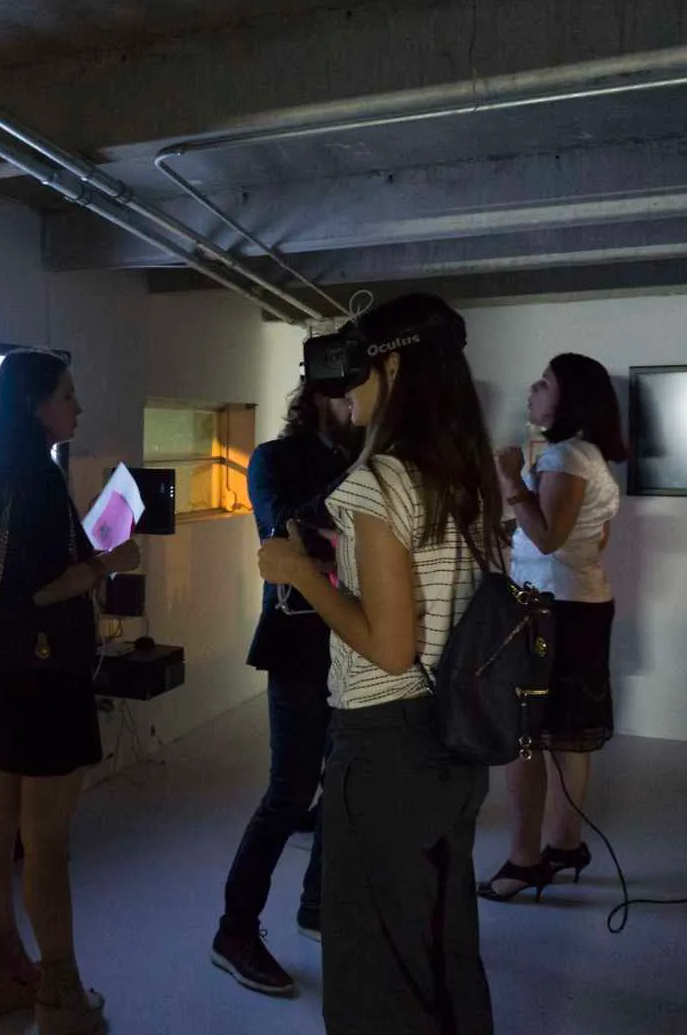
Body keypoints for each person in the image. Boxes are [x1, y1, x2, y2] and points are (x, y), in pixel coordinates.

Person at [258, 294, 502, 1035]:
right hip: (455, 742)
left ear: (392, 366)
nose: (345, 392)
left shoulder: (377, 480)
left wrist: (302, 576)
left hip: (386, 745)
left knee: (376, 979)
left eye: (357, 372)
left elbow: (391, 648)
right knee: (443, 946)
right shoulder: (465, 474)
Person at [0, 349, 140, 1035]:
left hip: (4, 670)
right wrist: (108, 562)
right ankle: (60, 994)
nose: (78, 406)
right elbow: (40, 588)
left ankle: (5, 969)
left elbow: (1, 580)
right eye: (68, 394)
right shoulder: (37, 479)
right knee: (47, 841)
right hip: (46, 678)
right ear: (36, 404)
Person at [211, 378, 357, 996]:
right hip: (298, 644)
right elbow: (286, 533)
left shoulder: (361, 459)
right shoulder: (274, 459)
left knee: (341, 784)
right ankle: (234, 932)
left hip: (354, 639)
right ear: (318, 398)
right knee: (290, 793)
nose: (356, 406)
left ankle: (318, 904)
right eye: (346, 394)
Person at [479, 353, 625, 902]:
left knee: (526, 736)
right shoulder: (590, 457)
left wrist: (512, 477)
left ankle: (523, 860)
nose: (531, 390)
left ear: (569, 399)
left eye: (543, 384)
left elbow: (548, 539)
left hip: (551, 610)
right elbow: (590, 540)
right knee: (568, 733)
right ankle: (565, 843)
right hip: (581, 604)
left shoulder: (563, 456)